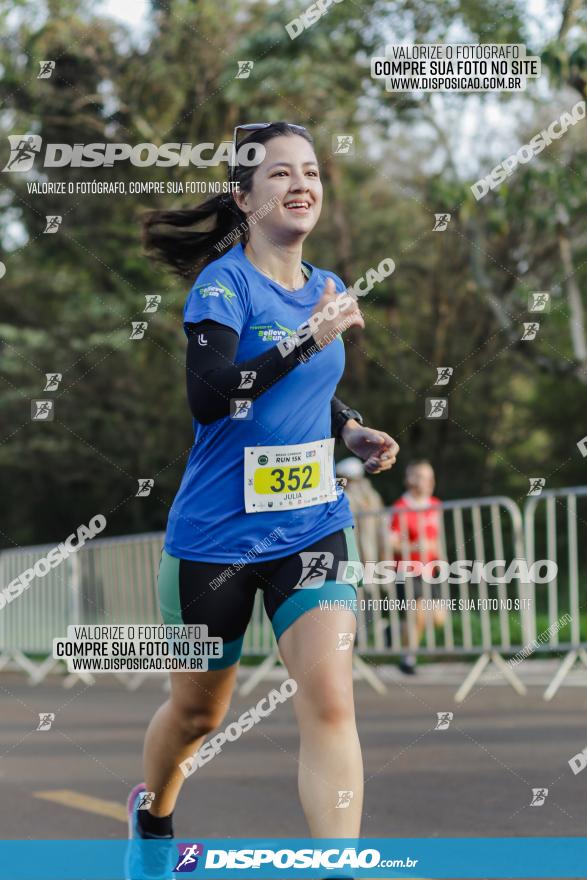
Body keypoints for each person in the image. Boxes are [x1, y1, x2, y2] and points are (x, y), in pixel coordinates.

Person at [126, 121, 399, 876]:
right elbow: (213, 394)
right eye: (279, 174)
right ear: (244, 198)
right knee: (196, 715)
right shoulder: (223, 285)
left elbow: (311, 391)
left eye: (309, 170)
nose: (300, 183)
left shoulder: (328, 288)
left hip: (312, 525)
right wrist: (308, 339)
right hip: (214, 539)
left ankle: (334, 867)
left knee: (330, 699)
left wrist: (348, 432)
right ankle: (152, 819)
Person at [389, 460, 445, 675]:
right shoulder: (400, 508)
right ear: (410, 479)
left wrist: (441, 559)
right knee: (419, 614)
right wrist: (414, 545)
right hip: (408, 570)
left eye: (430, 477)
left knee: (438, 619)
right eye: (422, 476)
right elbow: (392, 543)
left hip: (430, 570)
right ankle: (408, 659)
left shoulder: (436, 504)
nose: (429, 482)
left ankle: (392, 632)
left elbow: (436, 538)